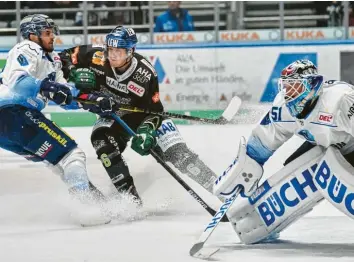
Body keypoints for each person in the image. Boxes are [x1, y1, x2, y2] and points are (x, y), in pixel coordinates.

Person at [59, 26, 218, 205]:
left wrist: (146, 131)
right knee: (101, 140)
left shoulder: (145, 74)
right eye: (110, 50)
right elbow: (61, 58)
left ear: (131, 51)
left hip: (143, 117)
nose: (112, 55)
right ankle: (131, 201)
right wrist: (72, 72)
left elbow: (156, 112)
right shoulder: (95, 56)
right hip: (114, 117)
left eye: (118, 51)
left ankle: (219, 187)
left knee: (176, 153)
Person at [213, 59, 354, 244]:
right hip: (328, 145)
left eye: (295, 86)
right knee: (294, 170)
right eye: (286, 87)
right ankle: (260, 220)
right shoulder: (282, 107)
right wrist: (244, 168)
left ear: (312, 85)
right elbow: (263, 141)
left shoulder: (341, 100)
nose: (289, 94)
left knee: (335, 179)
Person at [0, 14, 109, 226]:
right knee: (71, 155)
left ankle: (94, 201)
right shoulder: (27, 49)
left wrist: (92, 101)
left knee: (58, 161)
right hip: (12, 113)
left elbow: (65, 96)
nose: (53, 38)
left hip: (11, 125)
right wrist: (45, 86)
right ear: (33, 35)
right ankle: (86, 208)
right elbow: (19, 83)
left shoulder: (53, 61)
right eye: (47, 33)